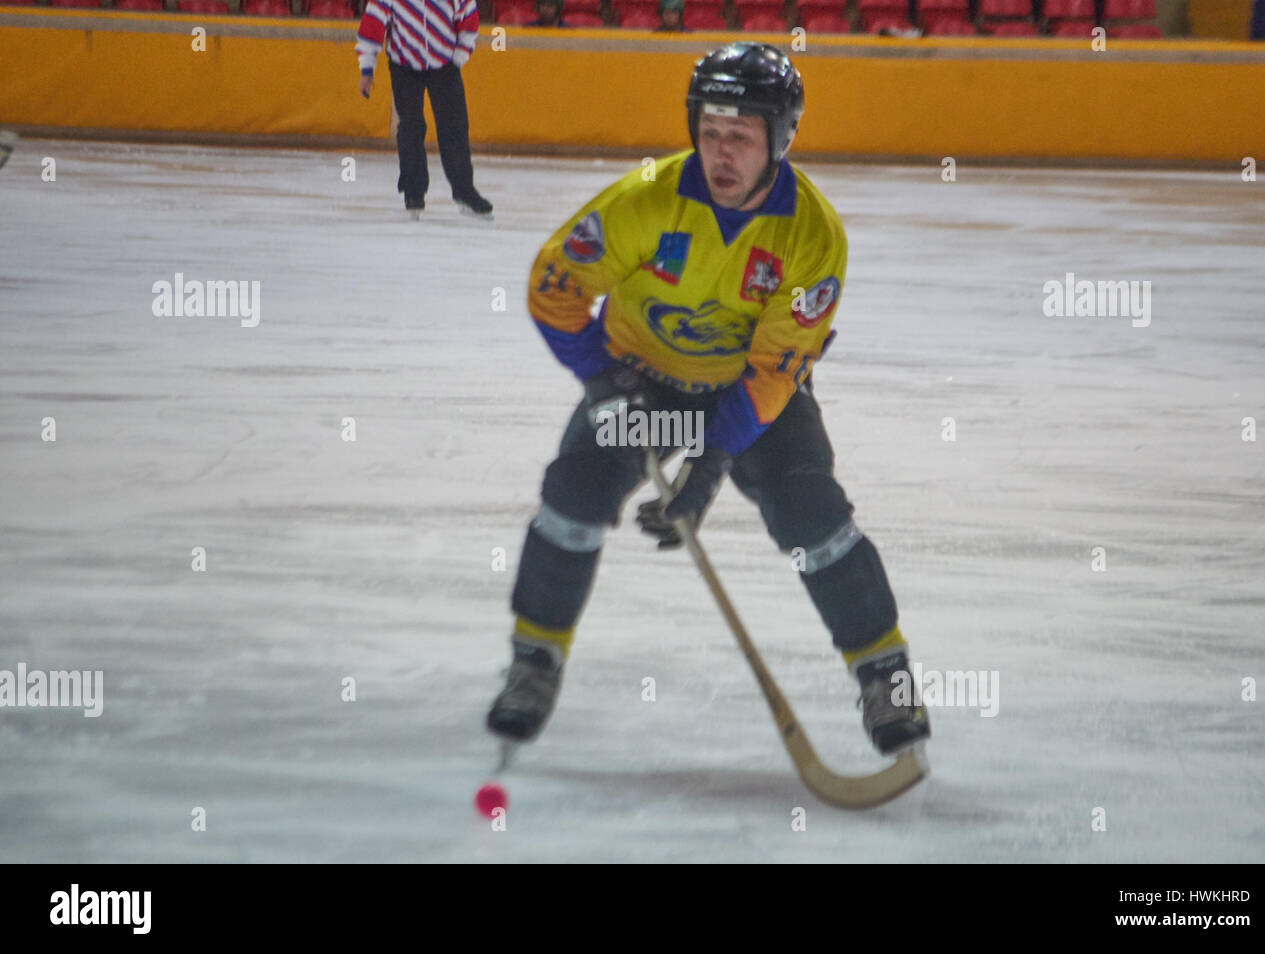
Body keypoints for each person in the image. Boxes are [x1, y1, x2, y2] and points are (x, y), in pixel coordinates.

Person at [487, 42, 930, 760]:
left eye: (743, 137)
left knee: (812, 514)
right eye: (711, 132)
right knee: (573, 495)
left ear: (780, 141)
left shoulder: (812, 237)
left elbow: (774, 371)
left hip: (746, 390)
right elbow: (553, 286)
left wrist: (711, 463)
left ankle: (889, 682)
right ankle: (532, 663)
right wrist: (606, 385)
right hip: (643, 382)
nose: (722, 153)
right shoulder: (645, 199)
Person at [355, 0, 493, 219]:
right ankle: (413, 190)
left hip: (445, 64)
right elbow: (372, 27)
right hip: (403, 64)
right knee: (411, 126)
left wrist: (459, 57)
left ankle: (464, 192)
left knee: (454, 128)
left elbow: (469, 20)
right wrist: (366, 70)